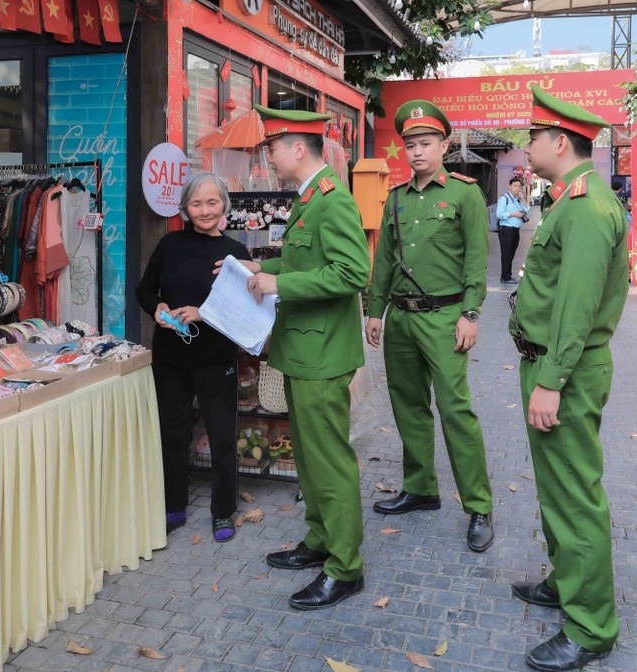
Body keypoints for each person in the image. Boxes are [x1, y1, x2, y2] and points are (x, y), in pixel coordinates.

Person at [231, 105, 370, 610]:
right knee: (309, 459)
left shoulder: (333, 200)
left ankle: (345, 567)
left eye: (272, 146)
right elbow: (305, 261)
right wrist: (260, 265)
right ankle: (320, 541)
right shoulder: (311, 197)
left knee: (330, 461)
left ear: (297, 148)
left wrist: (278, 282)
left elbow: (354, 273)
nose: (267, 156)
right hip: (304, 349)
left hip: (323, 353)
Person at [509, 86, 629, 672]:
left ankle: (591, 626)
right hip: (551, 364)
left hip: (565, 370)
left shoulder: (584, 207)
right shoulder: (571, 200)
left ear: (560, 142)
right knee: (556, 487)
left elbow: (576, 308)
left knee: (576, 494)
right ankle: (568, 583)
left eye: (533, 136)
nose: (526, 145)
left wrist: (550, 381)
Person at [365, 99, 494, 553]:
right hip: (400, 317)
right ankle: (420, 488)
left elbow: (477, 259)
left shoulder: (463, 193)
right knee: (408, 405)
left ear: (443, 144)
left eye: (425, 143)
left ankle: (478, 505)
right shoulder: (397, 198)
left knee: (456, 410)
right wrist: (374, 309)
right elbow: (382, 260)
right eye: (410, 145)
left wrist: (471, 313)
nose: (417, 152)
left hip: (445, 317)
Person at [135, 171, 251, 543]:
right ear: (184, 207)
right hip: (170, 359)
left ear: (224, 205)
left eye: (212, 202)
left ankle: (223, 511)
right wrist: (158, 308)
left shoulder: (237, 253)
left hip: (217, 358)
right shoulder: (170, 245)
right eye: (197, 203)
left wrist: (203, 312)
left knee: (221, 437)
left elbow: (243, 312)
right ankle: (174, 506)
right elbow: (144, 290)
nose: (204, 210)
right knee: (173, 433)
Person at [496, 177, 530, 284]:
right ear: (510, 187)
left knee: (511, 253)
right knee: (506, 253)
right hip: (506, 230)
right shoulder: (504, 199)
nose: (517, 188)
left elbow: (526, 211)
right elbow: (499, 214)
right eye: (515, 186)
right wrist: (513, 214)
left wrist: (523, 199)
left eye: (519, 186)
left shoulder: (517, 199)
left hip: (515, 230)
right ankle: (506, 277)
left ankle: (506, 275)